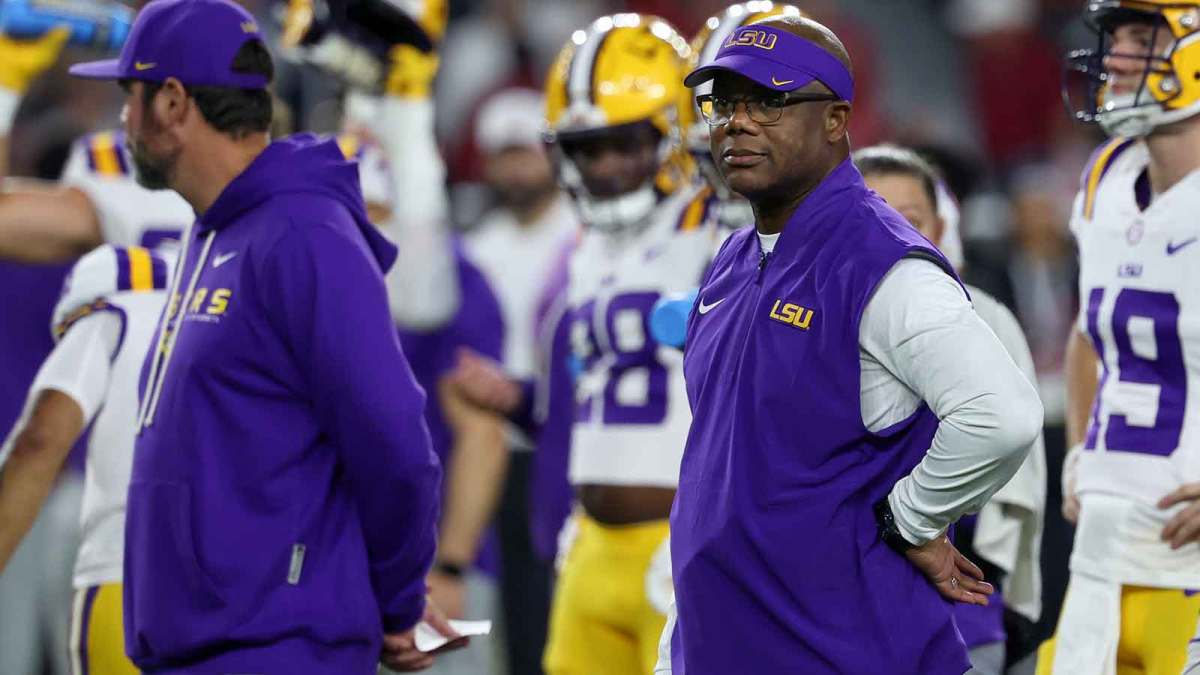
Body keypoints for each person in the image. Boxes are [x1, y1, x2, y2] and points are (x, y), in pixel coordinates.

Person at [68, 0, 459, 671]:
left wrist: (395, 600)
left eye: (128, 96)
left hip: (275, 648)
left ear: (171, 101)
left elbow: (396, 441)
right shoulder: (217, 228)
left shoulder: (303, 232)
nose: (122, 121)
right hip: (205, 644)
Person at [663, 16, 1042, 674]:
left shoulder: (882, 261)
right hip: (725, 644)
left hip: (848, 650)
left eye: (770, 99)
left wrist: (913, 518)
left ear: (837, 119)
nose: (738, 122)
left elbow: (1002, 413)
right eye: (725, 102)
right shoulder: (730, 259)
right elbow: (717, 483)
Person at [536, 13, 717, 675]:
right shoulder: (588, 245)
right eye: (588, 149)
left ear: (673, 131)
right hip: (590, 539)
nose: (607, 167)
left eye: (625, 143)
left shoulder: (710, 220)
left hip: (680, 539)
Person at [1044, 2, 1200, 673]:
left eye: (1144, 37)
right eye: (1117, 38)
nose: (1116, 56)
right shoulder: (1106, 177)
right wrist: (1079, 448)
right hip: (1101, 559)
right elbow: (1087, 335)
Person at [855, 144, 1048, 675]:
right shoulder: (816, 309)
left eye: (910, 218)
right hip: (838, 601)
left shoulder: (980, 315)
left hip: (957, 605)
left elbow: (1015, 474)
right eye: (875, 214)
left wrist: (908, 522)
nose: (892, 231)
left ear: (942, 227)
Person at [0, 245, 171, 675]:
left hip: (125, 572)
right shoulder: (244, 311)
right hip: (251, 591)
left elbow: (40, 439)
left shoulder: (113, 312)